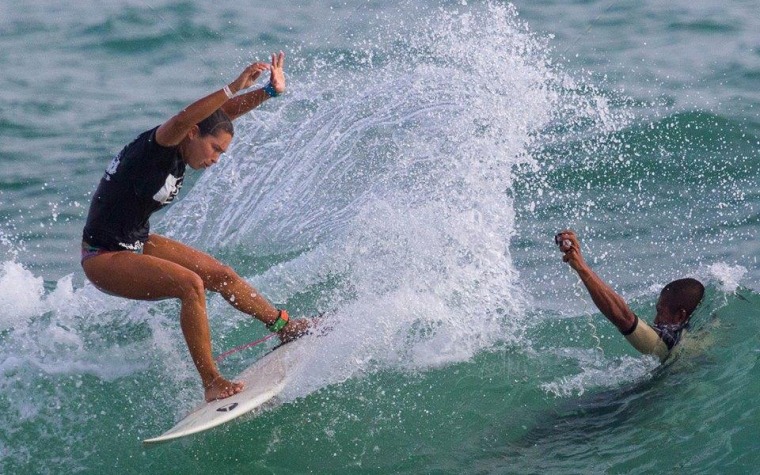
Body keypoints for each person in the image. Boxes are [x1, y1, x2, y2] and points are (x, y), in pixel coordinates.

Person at [81, 52, 310, 401]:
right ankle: (212, 383)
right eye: (215, 149)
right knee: (191, 285)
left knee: (221, 275)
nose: (215, 159)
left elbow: (220, 116)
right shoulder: (160, 144)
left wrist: (269, 92)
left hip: (135, 241)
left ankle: (284, 326)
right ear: (191, 135)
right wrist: (232, 86)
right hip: (104, 255)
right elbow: (187, 116)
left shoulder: (185, 145)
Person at [555, 229, 704, 362]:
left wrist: (581, 266)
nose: (656, 319)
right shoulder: (697, 334)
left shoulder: (668, 341)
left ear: (680, 316)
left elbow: (624, 318)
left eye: (660, 312)